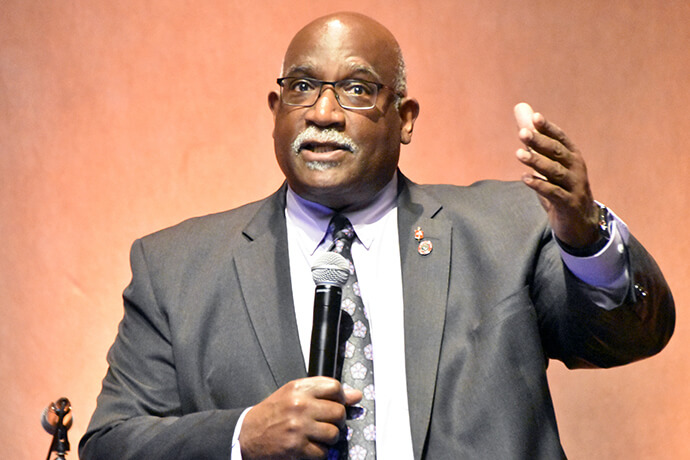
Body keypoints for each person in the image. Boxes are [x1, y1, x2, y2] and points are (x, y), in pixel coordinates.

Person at [79, 12, 675, 460]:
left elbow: (625, 338)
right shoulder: (176, 266)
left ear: (405, 118)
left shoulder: (508, 229)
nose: (324, 113)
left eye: (358, 90)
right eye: (303, 87)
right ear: (275, 109)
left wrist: (585, 235)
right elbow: (110, 442)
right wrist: (240, 436)